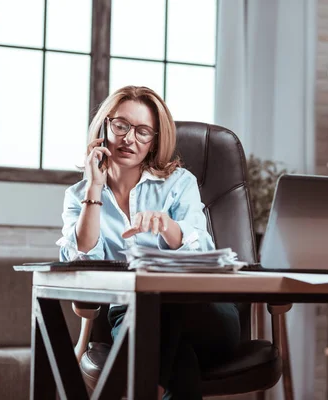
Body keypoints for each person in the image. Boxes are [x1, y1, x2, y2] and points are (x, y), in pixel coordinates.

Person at [57, 85, 241, 399]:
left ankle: (142, 388)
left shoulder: (179, 183)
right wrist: (94, 190)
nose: (129, 138)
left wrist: (169, 229)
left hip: (204, 316)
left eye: (143, 132)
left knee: (162, 294)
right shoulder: (79, 195)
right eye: (121, 126)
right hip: (131, 317)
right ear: (104, 126)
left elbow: (205, 253)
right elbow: (80, 261)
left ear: (154, 141)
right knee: (179, 363)